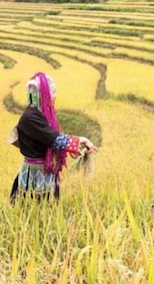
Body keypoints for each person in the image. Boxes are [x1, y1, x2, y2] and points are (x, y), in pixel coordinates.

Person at [9, 72, 95, 202]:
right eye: (53, 92)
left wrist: (69, 148)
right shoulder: (32, 117)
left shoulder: (39, 114)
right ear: (43, 95)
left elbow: (49, 139)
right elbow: (54, 139)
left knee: (47, 211)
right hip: (35, 177)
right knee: (35, 212)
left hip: (44, 172)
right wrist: (83, 140)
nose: (55, 96)